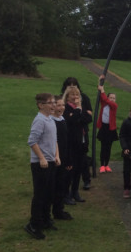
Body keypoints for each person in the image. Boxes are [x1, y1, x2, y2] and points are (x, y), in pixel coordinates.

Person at [24, 93, 60, 240]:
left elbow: (54, 140)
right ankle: (33, 224)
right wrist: (41, 158)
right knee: (40, 194)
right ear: (41, 105)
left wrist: (57, 156)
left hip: (51, 162)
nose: (53, 105)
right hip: (40, 164)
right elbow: (32, 141)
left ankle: (46, 219)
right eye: (50, 103)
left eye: (54, 102)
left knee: (49, 193)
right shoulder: (39, 120)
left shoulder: (50, 119)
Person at [61, 77, 93, 190]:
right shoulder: (65, 107)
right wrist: (78, 114)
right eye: (69, 85)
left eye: (74, 85)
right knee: (71, 165)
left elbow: (89, 117)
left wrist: (79, 115)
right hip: (71, 140)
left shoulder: (83, 100)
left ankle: (83, 183)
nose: (75, 97)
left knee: (82, 161)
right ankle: (67, 191)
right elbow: (72, 120)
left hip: (82, 137)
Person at [51, 95, 73, 221]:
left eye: (63, 105)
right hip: (55, 158)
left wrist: (68, 159)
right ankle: (54, 210)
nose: (61, 108)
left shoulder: (62, 120)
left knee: (62, 185)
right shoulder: (51, 121)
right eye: (59, 105)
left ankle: (59, 209)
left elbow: (66, 140)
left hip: (64, 156)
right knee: (55, 185)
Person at [96, 75, 118, 173]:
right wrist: (100, 81)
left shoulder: (114, 106)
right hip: (104, 128)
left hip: (110, 129)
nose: (112, 99)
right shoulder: (104, 104)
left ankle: (107, 164)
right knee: (103, 147)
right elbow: (100, 94)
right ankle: (102, 165)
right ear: (108, 97)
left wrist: (103, 90)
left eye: (114, 98)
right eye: (111, 97)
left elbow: (105, 98)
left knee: (108, 148)